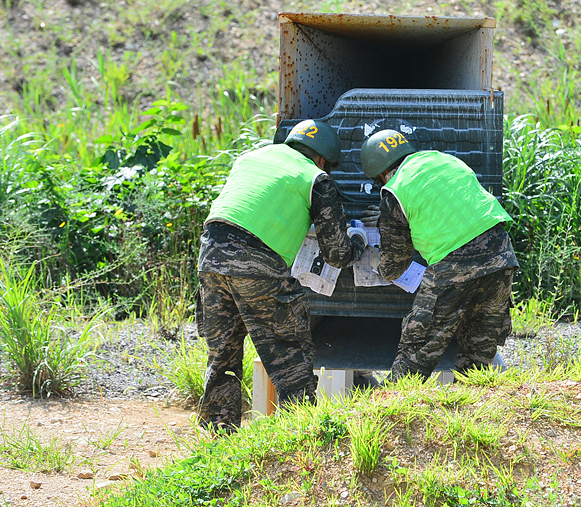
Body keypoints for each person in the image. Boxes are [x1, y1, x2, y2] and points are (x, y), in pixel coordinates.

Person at [196, 119, 368, 431]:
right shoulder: (316, 179)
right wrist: (356, 241)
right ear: (321, 159)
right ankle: (300, 437)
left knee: (222, 356)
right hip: (255, 263)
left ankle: (217, 439)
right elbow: (336, 254)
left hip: (210, 256)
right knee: (290, 356)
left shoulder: (250, 158)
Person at [360, 129, 517, 381]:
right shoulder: (444, 159)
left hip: (454, 264)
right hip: (500, 256)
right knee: (477, 356)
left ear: (381, 174)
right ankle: (469, 415)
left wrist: (380, 258)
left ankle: (392, 414)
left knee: (416, 351)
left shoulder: (395, 190)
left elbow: (395, 266)